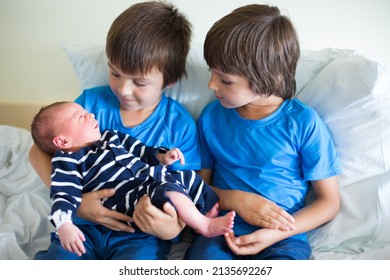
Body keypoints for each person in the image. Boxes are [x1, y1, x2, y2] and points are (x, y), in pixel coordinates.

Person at [29, 1, 204, 260]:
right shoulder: (90, 105)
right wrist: (78, 203)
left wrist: (172, 228)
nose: (123, 89)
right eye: (115, 73)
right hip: (82, 228)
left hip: (140, 235)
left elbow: (190, 187)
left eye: (140, 82)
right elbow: (37, 152)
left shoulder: (178, 125)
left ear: (170, 81)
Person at [184, 4, 342, 260]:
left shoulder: (303, 123)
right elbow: (198, 186)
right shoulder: (211, 117)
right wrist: (234, 199)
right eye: (212, 71)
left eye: (225, 80)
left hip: (282, 237)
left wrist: (277, 233)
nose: (211, 84)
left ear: (266, 76)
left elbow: (329, 202)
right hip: (220, 231)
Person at [30, 101, 235, 257]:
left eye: (86, 112)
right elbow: (63, 193)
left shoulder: (113, 136)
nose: (90, 114)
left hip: (137, 221)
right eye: (80, 117)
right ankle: (204, 223)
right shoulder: (67, 160)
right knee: (61, 257)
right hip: (87, 229)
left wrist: (162, 157)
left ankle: (204, 213)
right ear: (63, 141)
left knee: (183, 179)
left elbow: (143, 151)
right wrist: (64, 224)